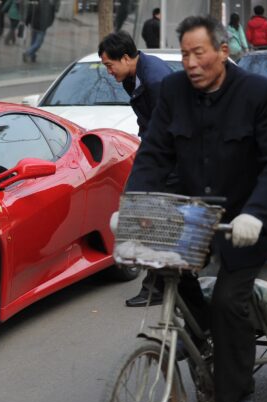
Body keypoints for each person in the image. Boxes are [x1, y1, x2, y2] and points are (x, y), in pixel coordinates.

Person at [120, 15, 267, 402]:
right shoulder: (173, 92)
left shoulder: (259, 93)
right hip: (192, 219)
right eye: (184, 55)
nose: (191, 63)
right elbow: (154, 154)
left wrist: (256, 213)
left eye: (199, 53)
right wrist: (131, 205)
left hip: (246, 224)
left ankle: (238, 396)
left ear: (222, 50)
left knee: (230, 302)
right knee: (166, 279)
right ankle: (205, 337)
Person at [99, 31, 172, 307]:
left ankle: (159, 285)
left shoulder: (155, 79)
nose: (109, 72)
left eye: (110, 65)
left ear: (127, 57)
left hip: (167, 157)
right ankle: (161, 282)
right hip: (157, 152)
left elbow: (170, 125)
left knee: (144, 214)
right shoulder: (134, 75)